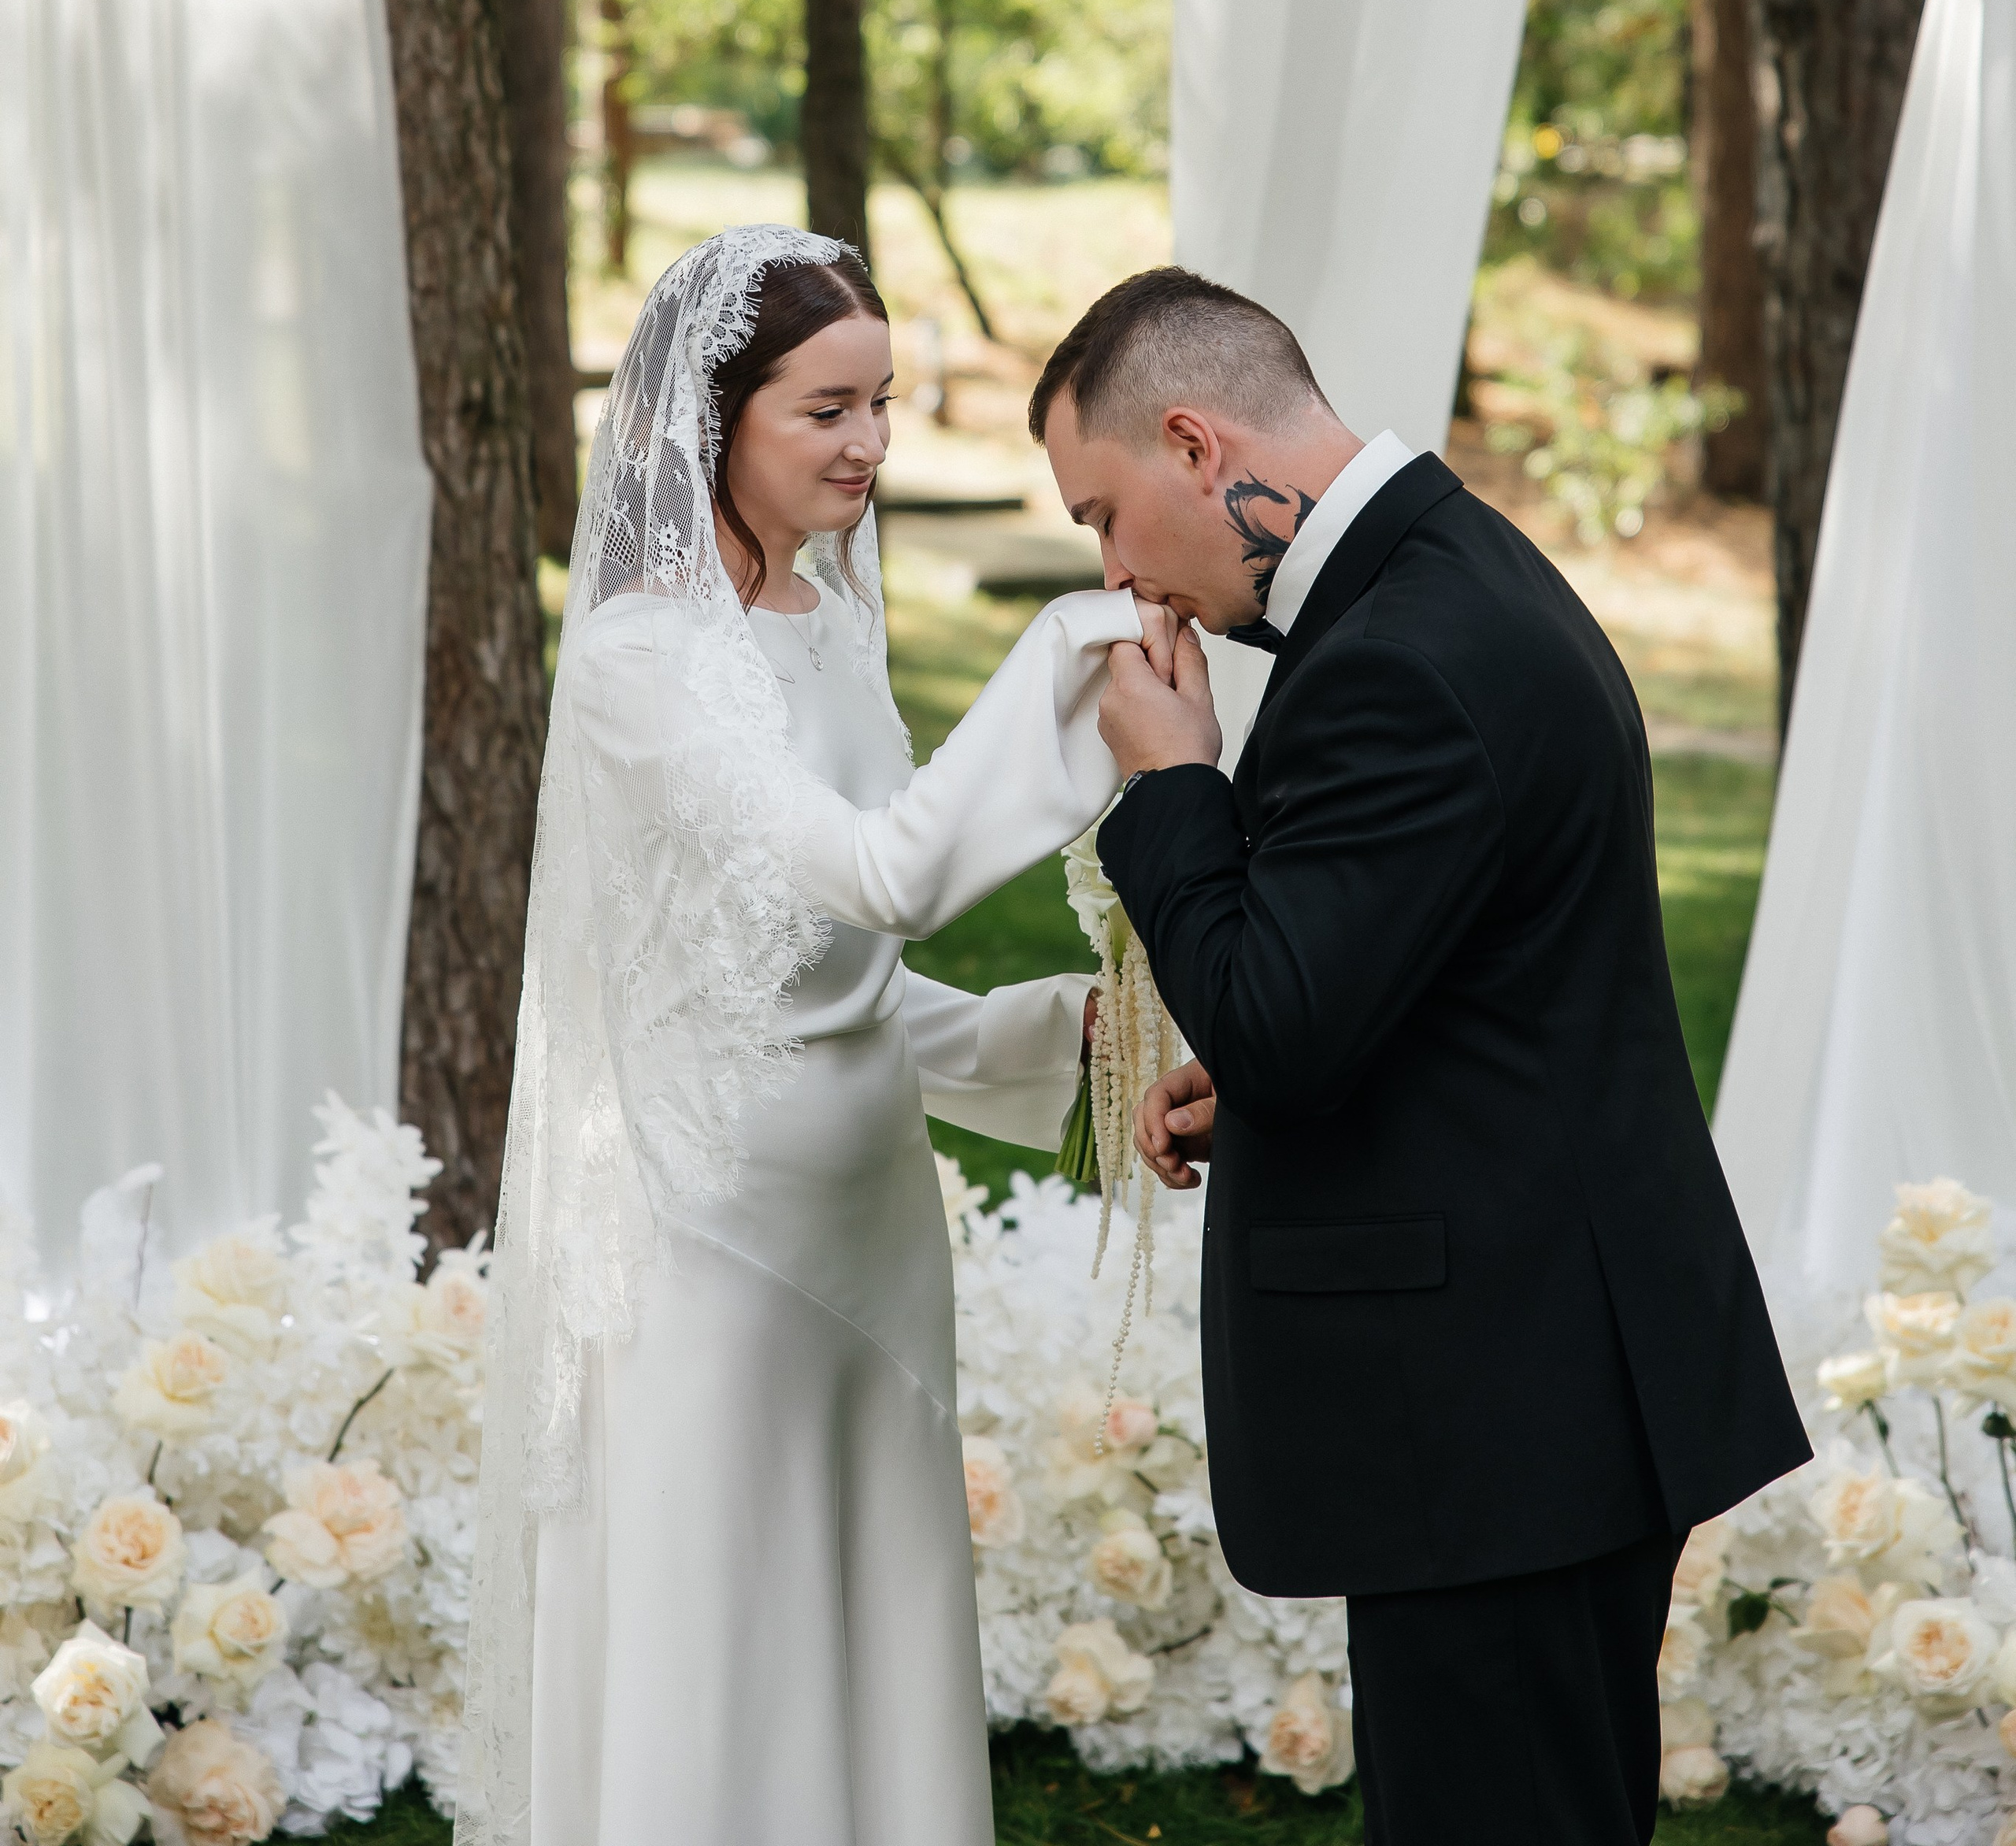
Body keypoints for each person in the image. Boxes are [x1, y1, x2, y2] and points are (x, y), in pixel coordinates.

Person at [1031, 265, 1808, 1846]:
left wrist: (1173, 789)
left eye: (1102, 514)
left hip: (1503, 1419)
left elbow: (1282, 1022)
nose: (1117, 574)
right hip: (1546, 1391)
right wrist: (1253, 1080)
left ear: (1195, 444)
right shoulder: (1449, 576)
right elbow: (1448, 976)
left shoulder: (1396, 658)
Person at [458, 224, 1155, 1846]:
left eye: (884, 403)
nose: (868, 445)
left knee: (865, 1626)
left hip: (868, 1225)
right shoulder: (645, 664)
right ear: (715, 421)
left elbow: (830, 979)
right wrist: (1066, 648)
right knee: (732, 1640)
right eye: (824, 410)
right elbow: (882, 871)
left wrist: (1071, 1041)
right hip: (717, 1252)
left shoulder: (832, 625)